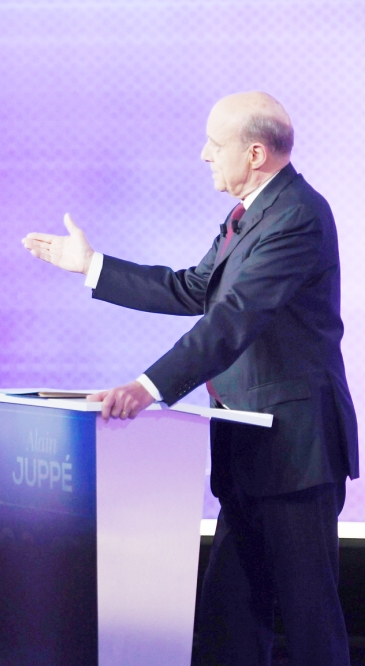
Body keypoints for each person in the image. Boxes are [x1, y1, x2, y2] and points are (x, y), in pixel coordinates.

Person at [22, 92, 358, 665]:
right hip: (248, 443)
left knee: (309, 621)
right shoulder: (249, 214)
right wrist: (93, 266)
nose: (204, 155)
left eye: (214, 144)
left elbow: (232, 321)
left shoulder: (297, 215)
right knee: (232, 616)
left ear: (254, 153)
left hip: (296, 450)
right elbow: (195, 289)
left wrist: (147, 387)